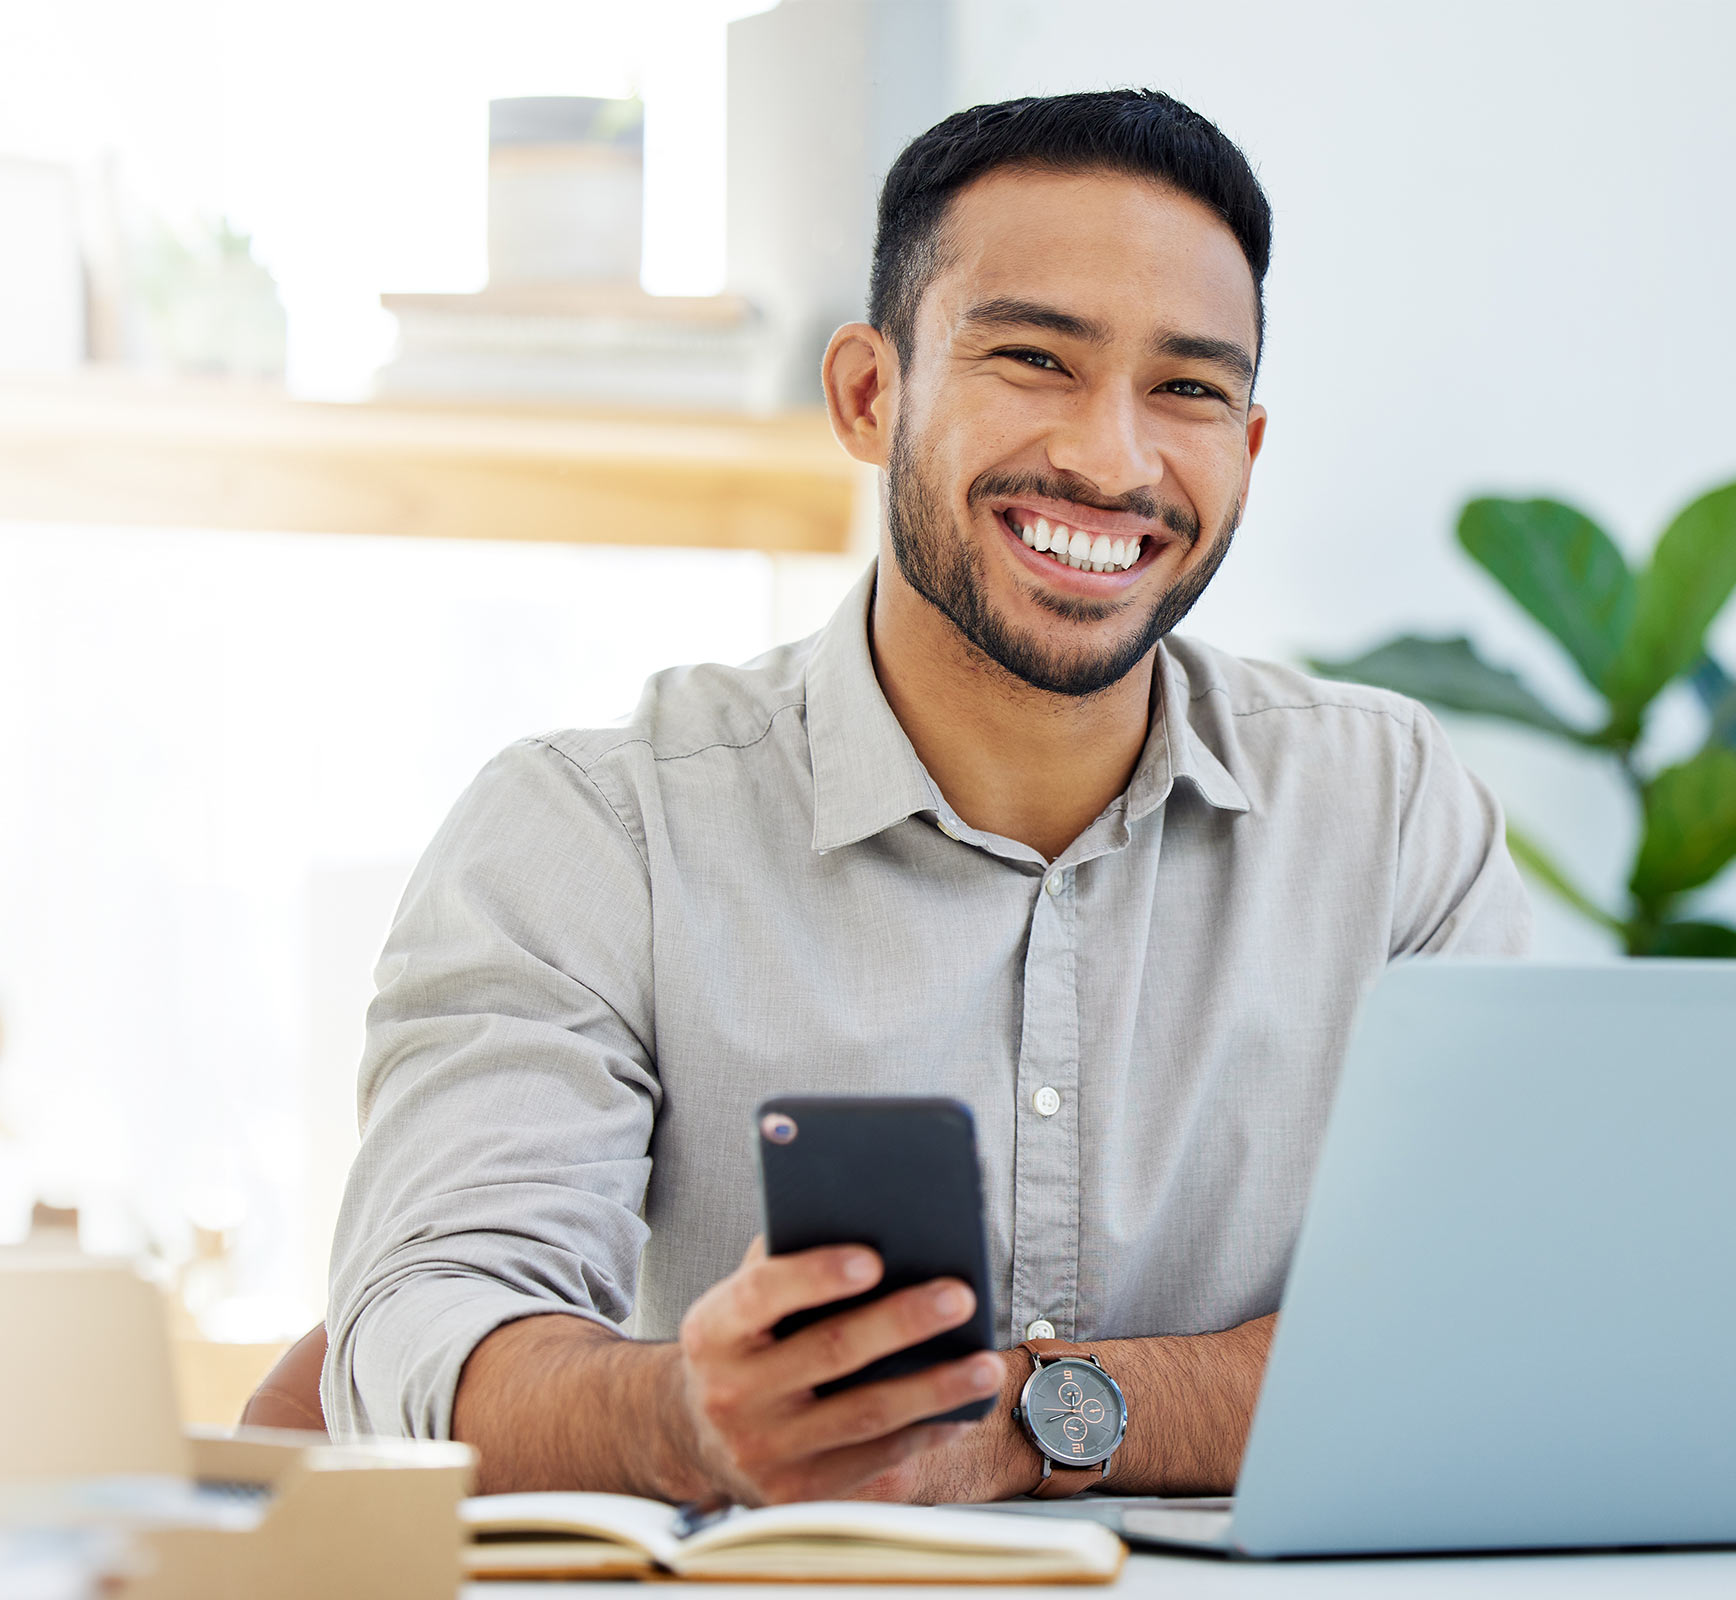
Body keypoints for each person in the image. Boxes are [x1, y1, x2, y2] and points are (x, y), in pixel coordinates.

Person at [311, 89, 1529, 1505]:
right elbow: (417, 1341)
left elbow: (1486, 1331)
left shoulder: (1393, 816)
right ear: (867, 395)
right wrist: (681, 1422)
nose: (1113, 459)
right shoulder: (597, 832)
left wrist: (1029, 1420)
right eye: (1034, 360)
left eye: (1188, 388)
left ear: (1247, 451)